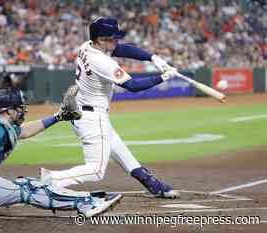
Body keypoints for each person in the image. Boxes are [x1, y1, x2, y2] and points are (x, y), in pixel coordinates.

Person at [0, 88, 122, 217]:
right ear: (8, 111)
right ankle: (85, 203)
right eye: (19, 108)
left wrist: (58, 117)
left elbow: (24, 131)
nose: (23, 111)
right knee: (26, 187)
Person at [41, 17, 180, 198]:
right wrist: (163, 77)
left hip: (83, 112)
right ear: (100, 39)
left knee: (122, 153)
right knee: (96, 170)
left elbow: (122, 49)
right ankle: (51, 179)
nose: (117, 41)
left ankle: (154, 185)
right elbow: (133, 86)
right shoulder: (103, 62)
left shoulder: (87, 45)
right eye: (113, 37)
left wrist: (153, 57)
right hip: (92, 117)